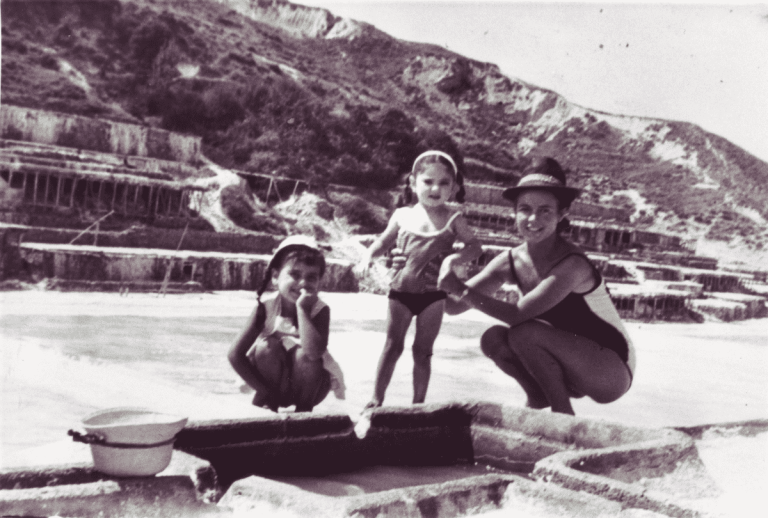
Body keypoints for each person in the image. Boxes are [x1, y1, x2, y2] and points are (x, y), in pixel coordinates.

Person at [438, 157, 636, 415]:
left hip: (611, 370)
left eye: (545, 210)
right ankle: (538, 396)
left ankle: (562, 415)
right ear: (514, 212)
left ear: (561, 214)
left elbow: (518, 315)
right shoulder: (510, 260)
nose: (533, 218)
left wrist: (460, 287)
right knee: (494, 339)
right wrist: (429, 274)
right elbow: (452, 307)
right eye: (525, 209)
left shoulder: (572, 264)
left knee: (523, 332)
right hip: (566, 364)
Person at [359, 150, 482, 409]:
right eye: (428, 181)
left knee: (422, 352)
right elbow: (383, 241)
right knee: (392, 346)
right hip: (400, 294)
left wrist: (453, 260)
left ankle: (417, 404)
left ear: (454, 187)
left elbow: (474, 246)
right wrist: (369, 255)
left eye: (444, 183)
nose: (435, 188)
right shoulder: (402, 215)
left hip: (434, 297)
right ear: (413, 183)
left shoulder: (454, 219)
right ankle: (376, 398)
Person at [228, 236, 345, 412]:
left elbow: (314, 353)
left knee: (303, 355)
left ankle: (303, 413)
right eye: (295, 275)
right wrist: (262, 389)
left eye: (311, 277)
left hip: (310, 389)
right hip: (270, 386)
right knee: (267, 347)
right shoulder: (265, 308)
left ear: (319, 282)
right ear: (275, 277)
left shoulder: (319, 310)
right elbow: (235, 354)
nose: (303, 283)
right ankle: (268, 403)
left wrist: (302, 309)